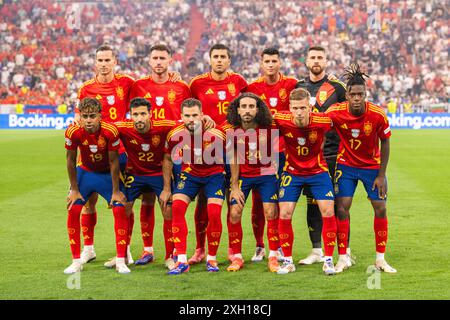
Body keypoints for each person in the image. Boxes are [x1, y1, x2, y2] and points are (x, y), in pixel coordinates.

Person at [326, 63, 396, 274]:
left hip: (371, 167)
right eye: (353, 94)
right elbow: (317, 125)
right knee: (342, 207)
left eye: (360, 94)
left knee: (380, 208)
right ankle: (343, 256)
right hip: (346, 165)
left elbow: (385, 142)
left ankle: (380, 259)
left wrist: (382, 175)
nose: (357, 98)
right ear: (346, 95)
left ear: (366, 94)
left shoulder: (377, 114)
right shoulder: (336, 112)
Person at [129, 44, 191, 266]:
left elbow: (191, 112)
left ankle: (171, 254)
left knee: (169, 204)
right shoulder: (138, 86)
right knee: (146, 200)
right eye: (154, 57)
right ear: (149, 60)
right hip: (147, 151)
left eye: (162, 58)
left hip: (175, 153)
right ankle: (148, 250)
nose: (158, 61)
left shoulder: (182, 86)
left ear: (170, 60)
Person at [188, 44, 247, 264]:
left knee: (234, 200)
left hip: (232, 147)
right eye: (216, 56)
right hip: (205, 148)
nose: (219, 60)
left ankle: (234, 251)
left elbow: (249, 107)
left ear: (229, 60)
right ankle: (199, 250)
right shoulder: (197, 83)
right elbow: (188, 108)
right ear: (209, 59)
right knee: (203, 201)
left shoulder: (239, 82)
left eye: (223, 57)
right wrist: (202, 119)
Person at [76, 45, 135, 266]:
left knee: (122, 203)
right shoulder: (86, 88)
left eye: (107, 60)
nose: (103, 64)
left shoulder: (127, 83)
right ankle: (88, 249)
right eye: (99, 60)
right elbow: (78, 115)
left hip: (118, 152)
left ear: (114, 62)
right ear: (95, 62)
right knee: (86, 202)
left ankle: (125, 251)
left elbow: (147, 94)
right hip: (90, 153)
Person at [273, 88, 338, 275]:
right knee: (284, 213)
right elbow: (257, 119)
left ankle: (328, 260)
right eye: (295, 108)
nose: (299, 112)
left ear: (310, 107)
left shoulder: (322, 120)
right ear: (290, 108)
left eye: (303, 108)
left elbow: (342, 122)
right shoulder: (281, 118)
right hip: (292, 172)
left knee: (328, 210)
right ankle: (287, 261)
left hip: (318, 171)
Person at [295, 46, 349, 266]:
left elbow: (353, 112)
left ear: (326, 61)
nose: (316, 61)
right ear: (306, 61)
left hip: (334, 154)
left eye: (320, 57)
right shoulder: (298, 87)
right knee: (312, 203)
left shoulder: (337, 87)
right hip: (308, 155)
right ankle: (316, 250)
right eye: (313, 57)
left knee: (338, 204)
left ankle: (345, 251)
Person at [64, 97, 129, 274]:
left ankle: (121, 260)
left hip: (106, 174)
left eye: (92, 116)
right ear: (80, 116)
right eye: (85, 116)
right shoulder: (73, 131)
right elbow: (70, 161)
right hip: (85, 172)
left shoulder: (110, 131)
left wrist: (116, 191)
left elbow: (115, 162)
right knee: (73, 209)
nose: (88, 120)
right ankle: (77, 260)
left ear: (100, 116)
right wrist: (74, 189)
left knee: (119, 208)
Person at [245, 47, 297, 262]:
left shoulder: (291, 85)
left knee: (280, 202)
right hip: (261, 152)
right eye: (267, 61)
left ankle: (279, 247)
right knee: (259, 201)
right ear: (261, 63)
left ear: (279, 63)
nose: (270, 64)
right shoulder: (252, 87)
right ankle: (260, 246)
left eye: (274, 61)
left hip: (284, 152)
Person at [163, 98, 226, 274]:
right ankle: (182, 260)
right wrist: (167, 188)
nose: (191, 119)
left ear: (202, 115)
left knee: (213, 213)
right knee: (177, 207)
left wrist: (234, 185)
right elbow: (167, 158)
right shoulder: (174, 134)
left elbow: (233, 156)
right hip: (189, 173)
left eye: (195, 115)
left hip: (214, 174)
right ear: (181, 116)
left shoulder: (217, 133)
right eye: (188, 116)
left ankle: (211, 259)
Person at [115, 98, 177, 270]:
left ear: (150, 114)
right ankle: (123, 254)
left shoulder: (164, 125)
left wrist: (205, 119)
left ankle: (170, 256)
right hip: (135, 173)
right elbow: (103, 127)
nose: (139, 118)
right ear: (130, 116)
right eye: (135, 114)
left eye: (143, 114)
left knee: (168, 209)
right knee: (123, 207)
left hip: (158, 173)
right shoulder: (123, 128)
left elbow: (185, 123)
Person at [223, 93, 280, 273]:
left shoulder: (270, 127)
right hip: (244, 177)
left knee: (270, 212)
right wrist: (234, 186)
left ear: (258, 109)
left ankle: (273, 255)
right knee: (234, 212)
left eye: (251, 106)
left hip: (266, 175)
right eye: (244, 107)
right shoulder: (231, 130)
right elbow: (233, 158)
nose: (247, 110)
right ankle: (237, 257)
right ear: (238, 110)